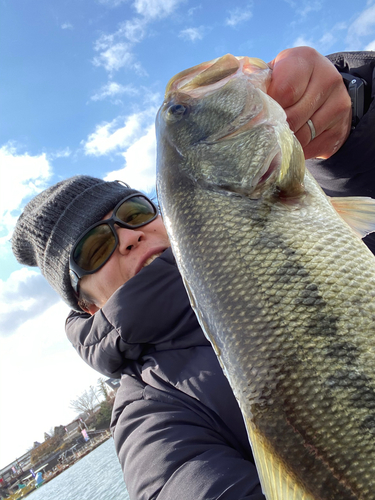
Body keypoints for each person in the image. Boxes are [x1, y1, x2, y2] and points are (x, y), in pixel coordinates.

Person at [11, 47, 375, 499]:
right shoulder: (151, 417)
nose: (127, 236)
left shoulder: (300, 215)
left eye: (133, 211)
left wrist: (353, 120)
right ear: (87, 304)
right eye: (96, 248)